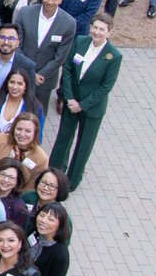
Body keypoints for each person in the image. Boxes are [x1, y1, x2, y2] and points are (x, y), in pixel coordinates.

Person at [51, 12, 122, 190]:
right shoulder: (80, 42)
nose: (97, 32)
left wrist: (82, 105)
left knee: (83, 145)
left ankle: (72, 181)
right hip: (71, 101)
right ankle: (54, 173)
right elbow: (67, 69)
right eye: (95, 27)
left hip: (92, 109)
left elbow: (106, 86)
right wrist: (69, 97)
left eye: (102, 29)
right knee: (63, 139)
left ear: (109, 33)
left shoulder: (113, 56)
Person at [0, 112, 48, 187]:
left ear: (35, 133)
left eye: (28, 131)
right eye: (19, 129)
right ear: (13, 129)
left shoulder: (42, 158)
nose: (22, 134)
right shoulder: (1, 139)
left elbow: (32, 187)